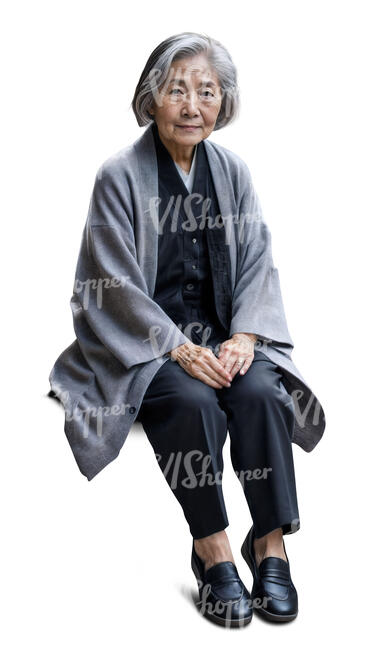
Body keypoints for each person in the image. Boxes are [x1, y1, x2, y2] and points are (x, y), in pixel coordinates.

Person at [47, 31, 326, 628]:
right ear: (151, 98)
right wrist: (175, 345)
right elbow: (109, 281)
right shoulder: (118, 175)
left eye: (207, 92)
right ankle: (213, 548)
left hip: (226, 339)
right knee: (193, 402)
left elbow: (257, 260)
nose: (192, 105)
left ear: (223, 103)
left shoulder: (233, 172)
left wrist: (246, 336)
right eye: (178, 90)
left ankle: (270, 543)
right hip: (150, 348)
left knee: (259, 394)